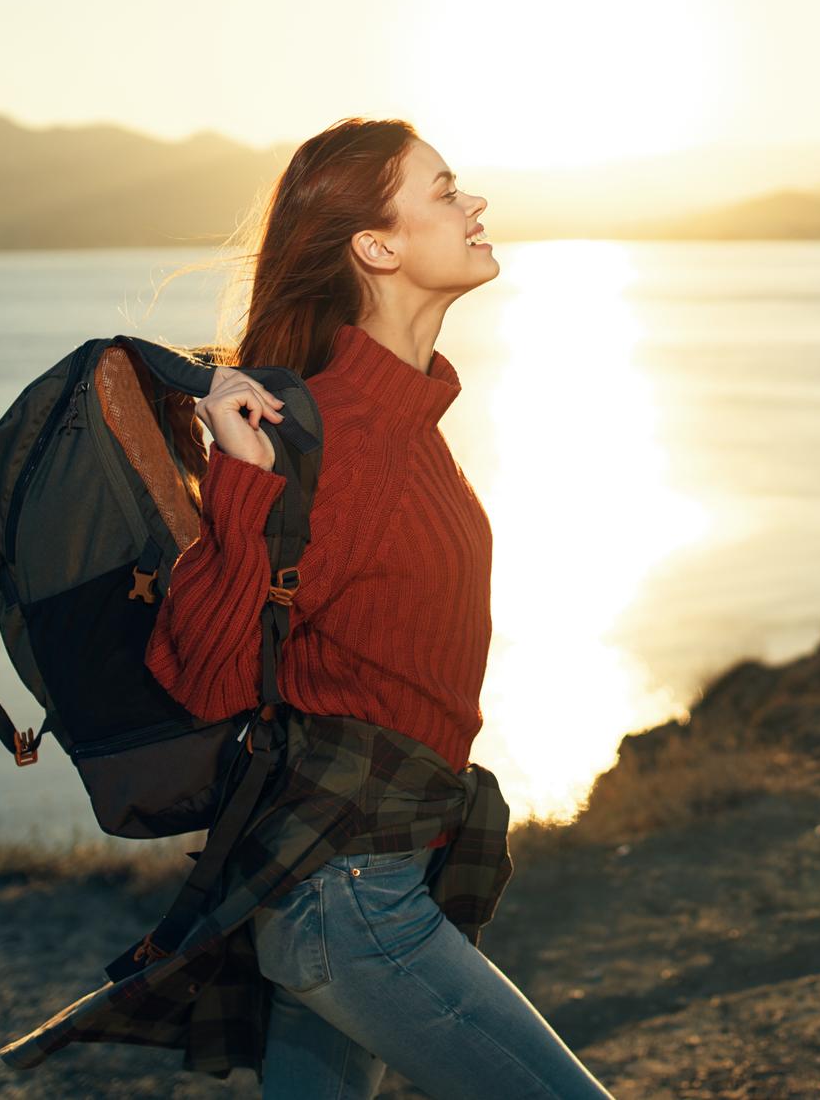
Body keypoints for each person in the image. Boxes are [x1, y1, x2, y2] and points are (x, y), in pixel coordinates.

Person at [144, 118, 614, 1099]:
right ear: (376, 245)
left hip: (361, 871)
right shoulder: (336, 434)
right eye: (444, 190)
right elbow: (206, 673)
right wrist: (240, 486)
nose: (473, 203)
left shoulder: (401, 417)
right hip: (349, 897)